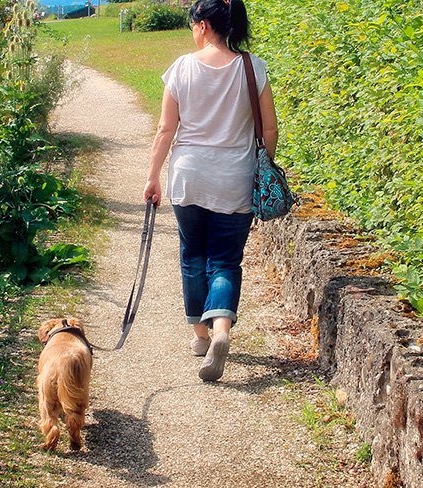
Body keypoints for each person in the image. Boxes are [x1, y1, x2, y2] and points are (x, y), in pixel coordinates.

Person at [142, 0, 278, 381]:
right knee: (225, 260)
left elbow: (166, 129)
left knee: (193, 255)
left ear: (202, 25)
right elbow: (269, 128)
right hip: (234, 178)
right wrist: (261, 166)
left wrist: (153, 176)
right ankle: (221, 329)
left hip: (189, 176)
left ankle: (200, 336)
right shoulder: (253, 68)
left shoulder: (181, 69)